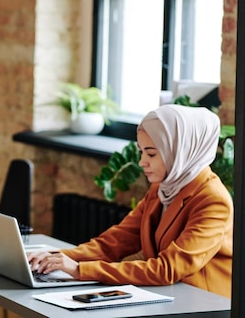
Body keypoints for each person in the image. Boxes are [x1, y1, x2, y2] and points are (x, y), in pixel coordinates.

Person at [29, 104, 233, 298]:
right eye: (141, 152)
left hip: (203, 304)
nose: (142, 162)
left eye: (151, 154)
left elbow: (168, 268)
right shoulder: (162, 189)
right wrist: (55, 256)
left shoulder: (213, 201)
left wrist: (79, 269)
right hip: (169, 296)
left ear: (180, 151)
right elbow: (114, 243)